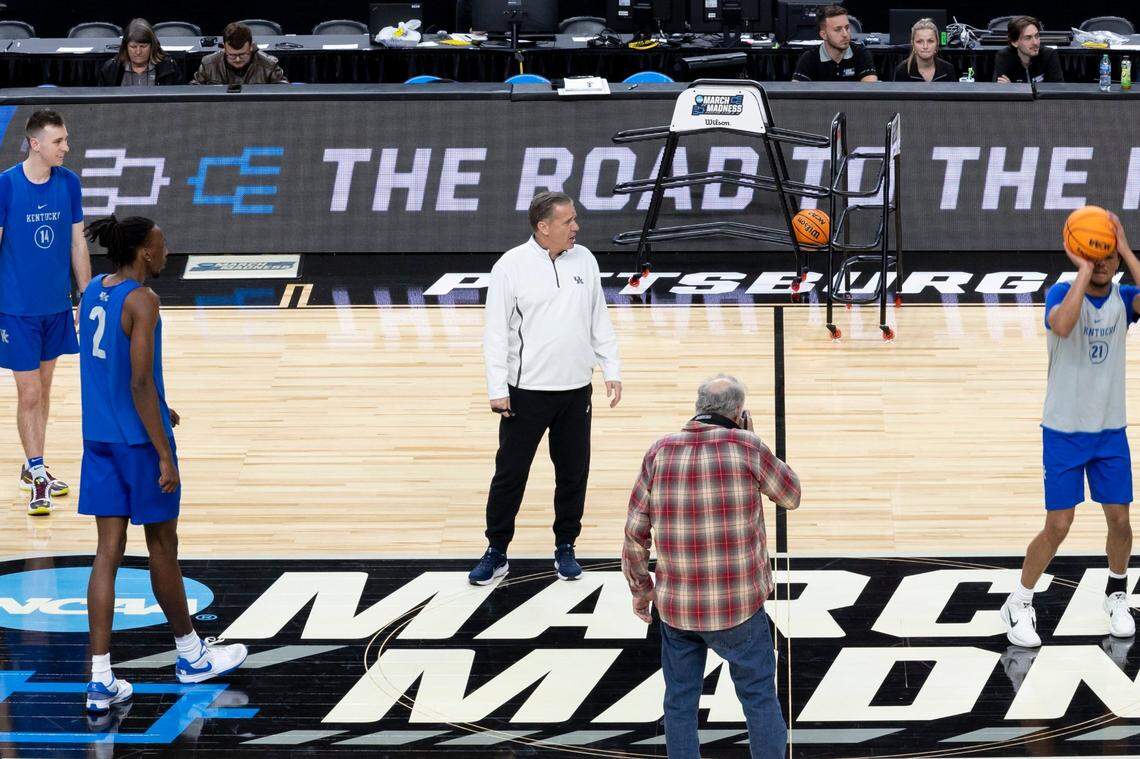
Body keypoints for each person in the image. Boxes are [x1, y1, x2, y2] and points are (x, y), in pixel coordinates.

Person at [79, 215, 248, 715]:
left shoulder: (93, 291)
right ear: (144, 253)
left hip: (99, 439)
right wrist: (164, 450)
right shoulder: (144, 300)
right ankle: (191, 655)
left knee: (106, 552)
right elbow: (137, 383)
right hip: (137, 445)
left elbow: (109, 371)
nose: (167, 250)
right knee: (162, 545)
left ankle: (101, 679)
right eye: (161, 244)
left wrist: (160, 404)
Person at [622, 375, 801, 759]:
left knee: (679, 704)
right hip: (738, 610)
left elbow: (635, 533)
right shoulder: (747, 446)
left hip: (677, 610)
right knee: (759, 700)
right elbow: (791, 494)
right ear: (739, 413)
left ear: (698, 407)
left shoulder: (659, 452)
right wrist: (754, 437)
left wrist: (641, 592)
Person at [469, 191, 622, 586]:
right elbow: (494, 333)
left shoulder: (584, 260)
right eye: (568, 221)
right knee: (510, 474)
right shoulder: (510, 267)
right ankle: (496, 551)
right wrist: (496, 387)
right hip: (526, 393)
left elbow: (598, 318)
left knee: (573, 474)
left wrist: (611, 368)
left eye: (575, 220)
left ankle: (565, 545)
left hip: (575, 392)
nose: (577, 227)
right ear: (544, 227)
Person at [1001, 214, 1138, 648]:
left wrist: (1127, 250)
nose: (1101, 262)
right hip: (1063, 431)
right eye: (1093, 254)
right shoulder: (1061, 292)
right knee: (1058, 525)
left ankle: (1117, 594)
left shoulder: (1126, 298)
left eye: (1107, 256)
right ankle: (1019, 601)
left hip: (1109, 431)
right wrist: (1083, 268)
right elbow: (1062, 324)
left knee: (1120, 520)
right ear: (1079, 253)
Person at [0, 110, 91, 516]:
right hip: (17, 309)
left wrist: (86, 294)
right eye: (59, 141)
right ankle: (38, 472)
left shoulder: (68, 183)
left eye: (65, 140)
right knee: (29, 391)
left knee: (45, 389)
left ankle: (33, 463)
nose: (66, 148)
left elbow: (77, 243)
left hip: (56, 306)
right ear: (35, 144)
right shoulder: (5, 185)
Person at [792, 4, 878, 83]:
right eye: (838, 29)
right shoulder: (809, 58)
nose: (845, 34)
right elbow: (796, 94)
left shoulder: (861, 53)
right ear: (824, 35)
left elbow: (870, 91)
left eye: (847, 28)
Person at [191, 22, 288, 85]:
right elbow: (193, 92)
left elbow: (284, 94)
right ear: (224, 48)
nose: (237, 59)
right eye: (232, 55)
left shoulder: (269, 65)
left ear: (251, 47)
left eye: (242, 54)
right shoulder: (208, 64)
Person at [97, 18, 183, 87]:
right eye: (133, 47)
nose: (138, 52)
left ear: (152, 46)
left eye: (143, 46)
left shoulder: (169, 68)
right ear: (126, 47)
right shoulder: (111, 69)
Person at [995, 15, 1063, 84]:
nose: (1035, 43)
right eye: (1028, 38)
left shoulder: (1049, 55)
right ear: (1014, 42)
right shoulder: (1004, 57)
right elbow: (998, 91)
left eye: (1037, 36)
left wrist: (1013, 88)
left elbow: (1058, 90)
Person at [893, 18, 956, 82]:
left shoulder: (948, 69)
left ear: (937, 44)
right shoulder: (902, 70)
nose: (925, 46)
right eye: (919, 41)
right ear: (913, 44)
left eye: (930, 41)